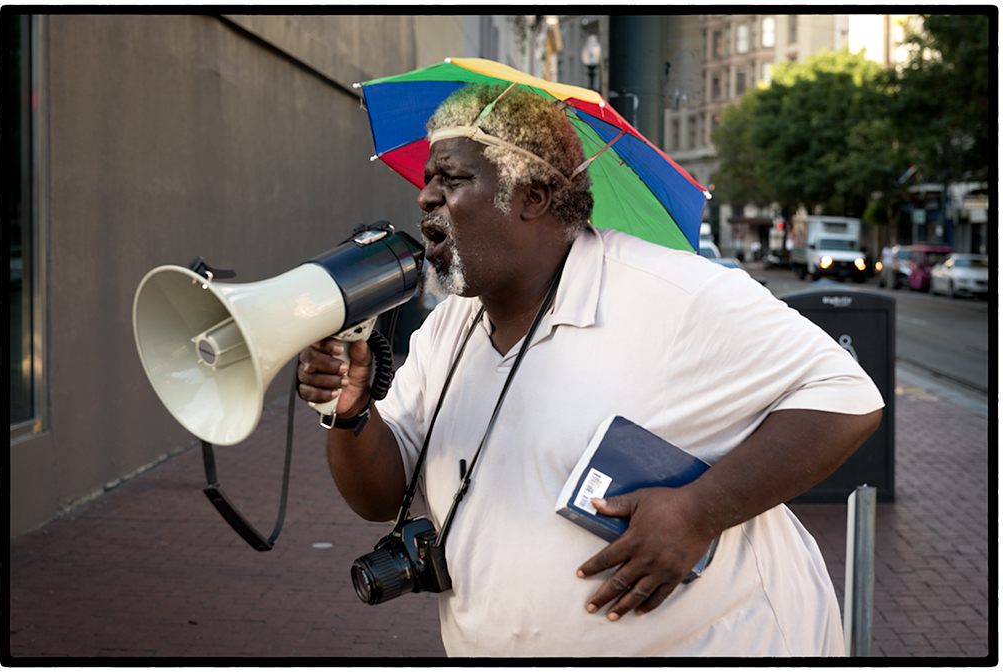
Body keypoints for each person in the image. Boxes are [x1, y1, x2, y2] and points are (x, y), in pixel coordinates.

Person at [298, 83, 883, 657]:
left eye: (452, 179)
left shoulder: (672, 291)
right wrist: (350, 412)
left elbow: (847, 395)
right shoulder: (447, 329)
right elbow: (381, 494)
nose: (427, 197)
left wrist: (701, 510)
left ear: (532, 196)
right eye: (428, 179)